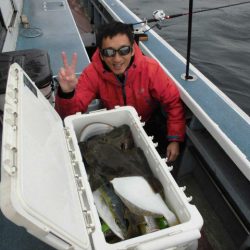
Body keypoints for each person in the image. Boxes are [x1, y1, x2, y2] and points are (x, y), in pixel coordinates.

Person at [55, 21, 185, 162]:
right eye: (109, 52)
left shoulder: (150, 69)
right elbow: (70, 116)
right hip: (113, 130)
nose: (117, 59)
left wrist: (175, 139)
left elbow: (172, 103)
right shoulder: (92, 73)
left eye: (124, 50)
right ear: (101, 54)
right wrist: (67, 93)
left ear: (133, 49)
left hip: (147, 122)